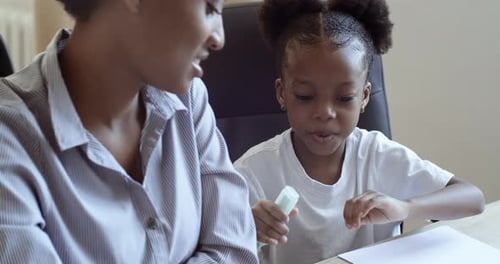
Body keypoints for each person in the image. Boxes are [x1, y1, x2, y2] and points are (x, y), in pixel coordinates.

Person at [0, 0, 259, 263]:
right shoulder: (10, 136)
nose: (219, 39)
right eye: (209, 8)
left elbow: (236, 252)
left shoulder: (189, 100)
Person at [233, 0, 485, 263]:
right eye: (305, 96)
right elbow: (209, 244)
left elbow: (473, 199)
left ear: (364, 97)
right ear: (282, 93)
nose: (325, 112)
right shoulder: (253, 172)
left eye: (343, 98)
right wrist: (244, 228)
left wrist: (405, 208)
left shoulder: (378, 155)